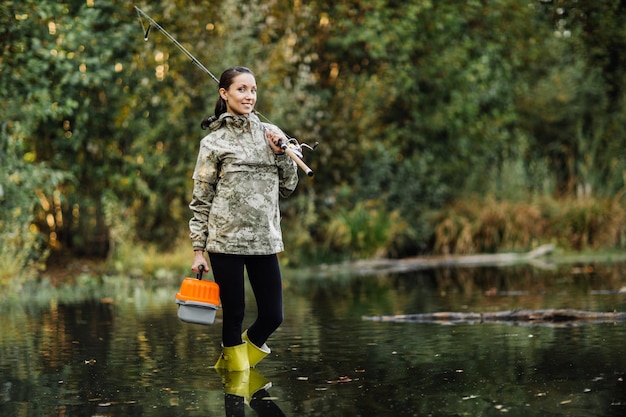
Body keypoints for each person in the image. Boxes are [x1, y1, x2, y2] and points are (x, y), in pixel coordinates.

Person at [189, 66, 299, 373]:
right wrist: (199, 250)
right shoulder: (213, 143)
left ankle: (231, 373)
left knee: (273, 316)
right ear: (224, 94)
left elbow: (289, 186)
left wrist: (281, 152)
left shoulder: (272, 134)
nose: (249, 95)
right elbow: (201, 198)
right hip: (225, 241)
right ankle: (236, 390)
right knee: (234, 314)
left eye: (253, 90)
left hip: (264, 240)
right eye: (241, 89)